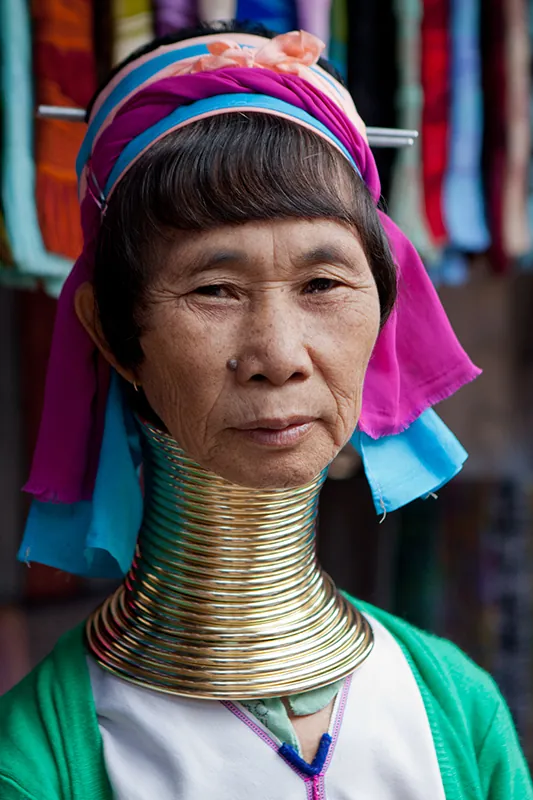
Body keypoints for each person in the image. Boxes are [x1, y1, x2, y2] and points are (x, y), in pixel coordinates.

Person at [0, 21, 531, 800]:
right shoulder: (38, 762)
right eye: (213, 289)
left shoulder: (456, 708)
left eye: (322, 285)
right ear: (114, 336)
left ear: (383, 308)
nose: (277, 354)